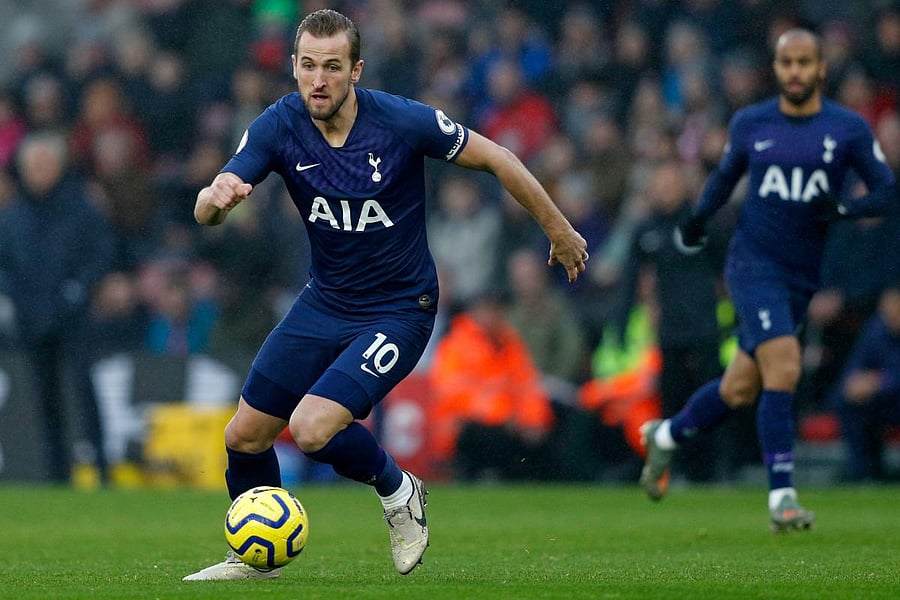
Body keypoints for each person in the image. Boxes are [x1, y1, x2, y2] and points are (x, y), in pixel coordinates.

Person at [183, 9, 588, 581]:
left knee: (313, 428)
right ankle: (256, 559)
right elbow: (207, 213)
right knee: (244, 436)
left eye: (331, 67)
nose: (317, 80)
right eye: (306, 66)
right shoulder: (279, 125)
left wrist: (559, 229)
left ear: (356, 71)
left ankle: (400, 490)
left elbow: (497, 158)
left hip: (400, 309)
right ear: (293, 68)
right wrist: (215, 198)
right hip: (325, 301)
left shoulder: (399, 121)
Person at [637, 28, 896, 532]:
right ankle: (782, 497)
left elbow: (886, 192)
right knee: (785, 362)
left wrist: (844, 208)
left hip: (803, 276)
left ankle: (666, 436)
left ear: (821, 69)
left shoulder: (848, 129)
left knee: (739, 388)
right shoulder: (752, 122)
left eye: (804, 63)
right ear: (776, 70)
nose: (795, 71)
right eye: (786, 63)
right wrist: (695, 220)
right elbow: (725, 178)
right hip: (753, 264)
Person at [0, 130, 116, 483]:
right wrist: (17, 299)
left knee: (84, 391)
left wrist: (77, 289)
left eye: (45, 163)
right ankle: (57, 473)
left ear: (59, 165)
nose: (39, 171)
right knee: (45, 397)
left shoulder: (81, 207)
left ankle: (101, 468)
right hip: (32, 317)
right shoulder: (12, 216)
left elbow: (102, 252)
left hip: (74, 315)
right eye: (32, 164)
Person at [427, 288, 557, 481]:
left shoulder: (511, 344)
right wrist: (505, 416)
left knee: (550, 426)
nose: (494, 316)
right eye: (488, 310)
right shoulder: (455, 345)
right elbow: (453, 394)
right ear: (474, 312)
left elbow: (527, 387)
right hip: (465, 427)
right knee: (483, 433)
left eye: (498, 310)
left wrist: (533, 420)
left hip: (508, 424)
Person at [830, 283, 900, 482]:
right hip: (885, 400)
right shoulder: (877, 329)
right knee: (847, 401)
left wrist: (881, 381)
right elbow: (855, 365)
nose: (892, 316)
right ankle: (865, 475)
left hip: (892, 393)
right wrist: (853, 384)